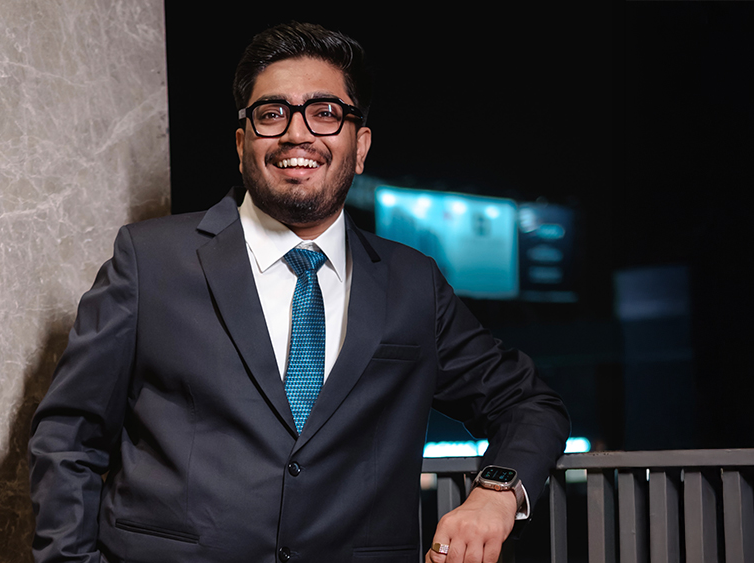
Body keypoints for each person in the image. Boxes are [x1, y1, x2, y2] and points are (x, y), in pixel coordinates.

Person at [29, 22, 569, 563]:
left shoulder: (413, 284)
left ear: (359, 147)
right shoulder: (150, 262)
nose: (296, 133)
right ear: (243, 144)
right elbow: (68, 437)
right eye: (271, 114)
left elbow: (527, 403)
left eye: (325, 113)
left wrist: (496, 492)